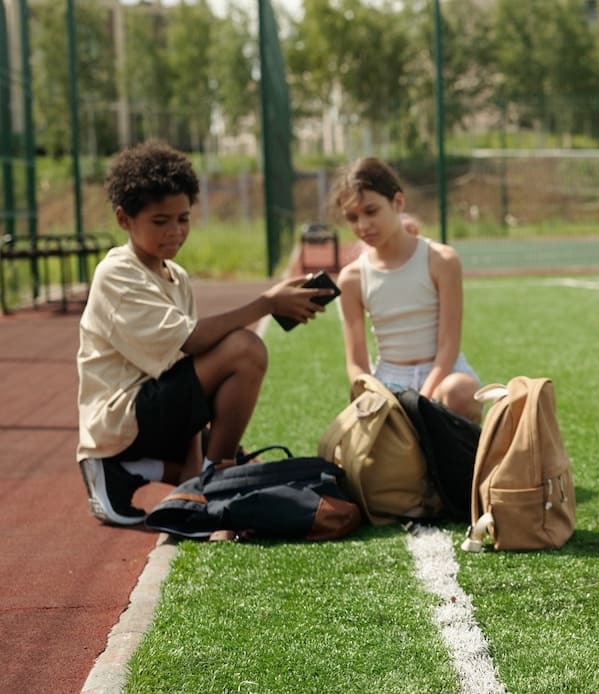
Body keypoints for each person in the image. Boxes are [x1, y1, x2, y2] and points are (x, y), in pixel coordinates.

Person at [78, 140, 332, 526]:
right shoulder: (118, 273)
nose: (175, 231)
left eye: (183, 219)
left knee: (233, 435)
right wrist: (267, 304)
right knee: (244, 349)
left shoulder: (175, 276)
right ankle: (213, 481)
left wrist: (196, 461)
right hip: (119, 419)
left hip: (152, 411)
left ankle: (183, 473)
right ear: (123, 219)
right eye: (160, 221)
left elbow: (188, 365)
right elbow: (192, 340)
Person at [331, 157, 481, 423]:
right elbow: (356, 363)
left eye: (371, 211)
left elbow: (448, 347)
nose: (362, 225)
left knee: (460, 391)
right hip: (389, 382)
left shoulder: (441, 260)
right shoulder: (351, 278)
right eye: (352, 217)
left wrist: (422, 400)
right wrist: (372, 396)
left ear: (398, 202)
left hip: (442, 374)